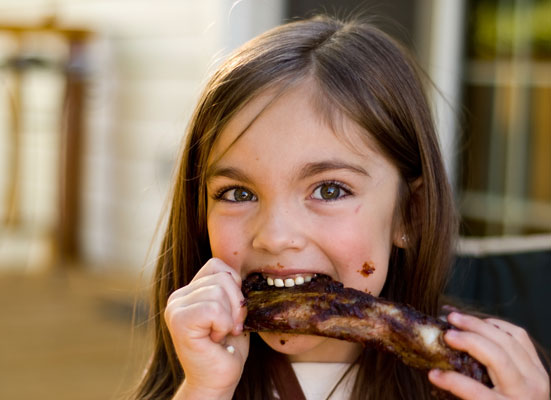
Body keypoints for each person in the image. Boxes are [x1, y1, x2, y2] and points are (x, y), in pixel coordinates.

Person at [134, 15, 549, 400]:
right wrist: (203, 389)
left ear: (410, 214)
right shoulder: (198, 377)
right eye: (238, 194)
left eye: (330, 190)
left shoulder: (492, 384)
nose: (276, 236)